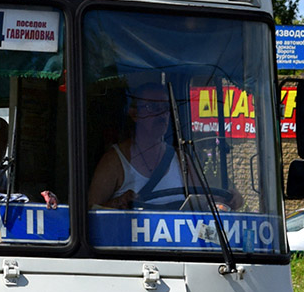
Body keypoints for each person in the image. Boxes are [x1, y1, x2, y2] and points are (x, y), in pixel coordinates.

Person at [88, 82, 240, 211]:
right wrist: (117, 203)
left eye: (165, 108)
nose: (161, 115)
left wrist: (229, 198)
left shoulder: (181, 160)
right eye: (152, 108)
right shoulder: (114, 160)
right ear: (134, 114)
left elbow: (202, 201)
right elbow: (90, 211)